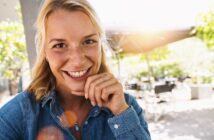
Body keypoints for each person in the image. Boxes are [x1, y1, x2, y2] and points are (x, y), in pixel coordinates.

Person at [0, 0, 151, 139]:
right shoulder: (14, 117)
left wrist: (121, 112)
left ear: (100, 46)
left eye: (88, 41)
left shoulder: (126, 106)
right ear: (44, 52)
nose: (78, 61)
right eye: (59, 45)